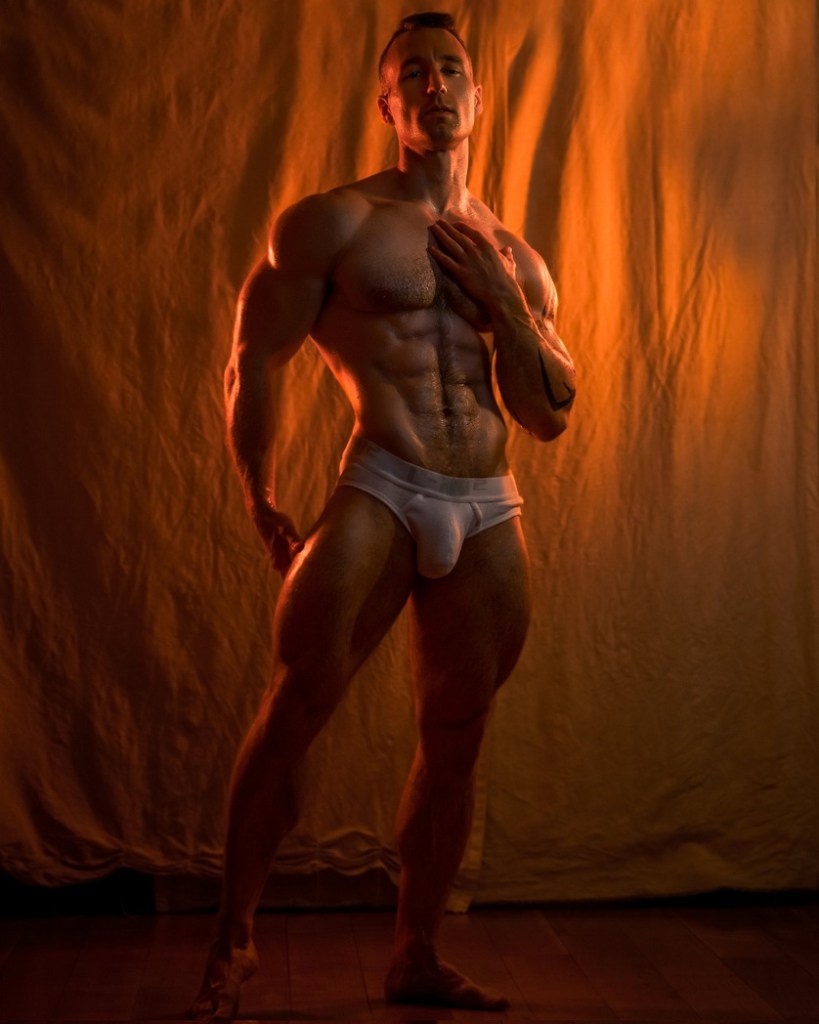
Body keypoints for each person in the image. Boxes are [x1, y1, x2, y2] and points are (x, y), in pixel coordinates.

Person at [188, 11, 576, 1020]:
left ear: (477, 97)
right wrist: (259, 496)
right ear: (387, 103)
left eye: (451, 69)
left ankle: (417, 954)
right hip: (382, 482)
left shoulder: (519, 258)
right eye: (414, 73)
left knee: (457, 735)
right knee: (297, 703)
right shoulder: (334, 222)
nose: (435, 85)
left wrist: (501, 300)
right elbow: (252, 361)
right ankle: (231, 941)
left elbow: (547, 415)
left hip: (486, 504)